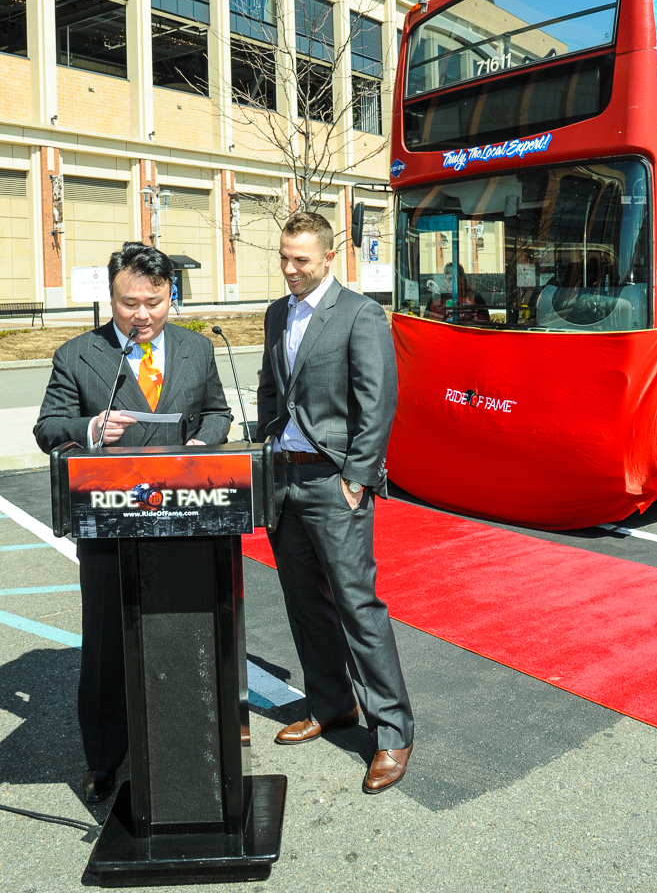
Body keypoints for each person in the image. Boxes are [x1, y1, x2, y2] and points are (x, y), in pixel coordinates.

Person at [34, 242, 232, 805]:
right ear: (111, 298)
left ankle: (195, 740)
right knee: (104, 646)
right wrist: (92, 428)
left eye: (154, 301)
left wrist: (204, 441)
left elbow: (217, 411)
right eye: (128, 304)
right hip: (107, 523)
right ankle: (102, 755)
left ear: (170, 295)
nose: (142, 315)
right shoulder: (77, 355)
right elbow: (48, 427)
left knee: (187, 628)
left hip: (187, 518)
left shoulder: (195, 349)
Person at [256, 211, 413, 794]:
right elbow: (273, 388)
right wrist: (265, 446)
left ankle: (393, 730)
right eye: (283, 257)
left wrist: (357, 477)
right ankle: (332, 704)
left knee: (356, 604)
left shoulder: (361, 315)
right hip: (285, 480)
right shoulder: (277, 313)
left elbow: (379, 402)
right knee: (303, 601)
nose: (290, 269)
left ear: (327, 258)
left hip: (333, 482)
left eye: (301, 259)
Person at [424, 262, 491, 324]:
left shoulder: (474, 297)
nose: (454, 283)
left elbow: (486, 323)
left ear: (462, 280)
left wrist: (475, 320)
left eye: (457, 279)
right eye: (450, 279)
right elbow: (427, 324)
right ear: (445, 281)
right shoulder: (436, 300)